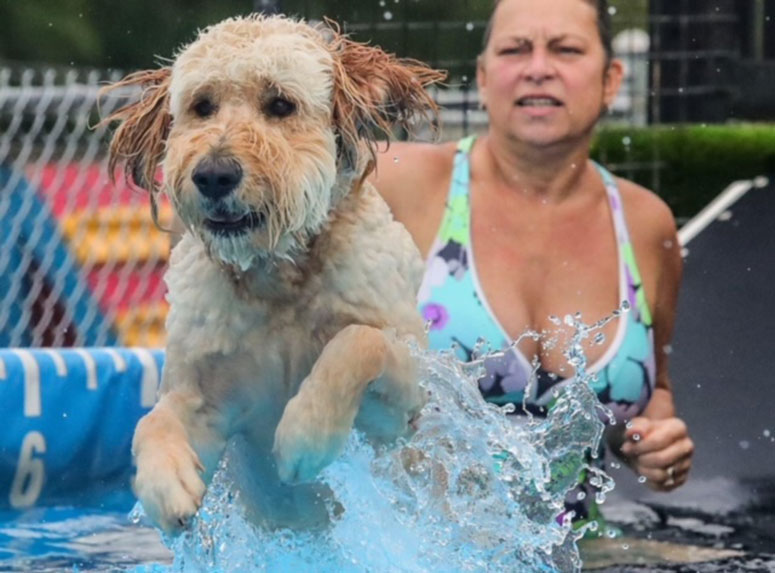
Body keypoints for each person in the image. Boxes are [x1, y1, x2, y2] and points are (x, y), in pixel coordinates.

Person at [370, 0, 694, 532]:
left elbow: (652, 390)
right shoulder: (397, 184)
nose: (538, 67)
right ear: (483, 76)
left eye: (566, 49)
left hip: (575, 548)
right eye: (515, 49)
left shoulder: (644, 224)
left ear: (611, 79)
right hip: (401, 546)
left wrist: (655, 440)